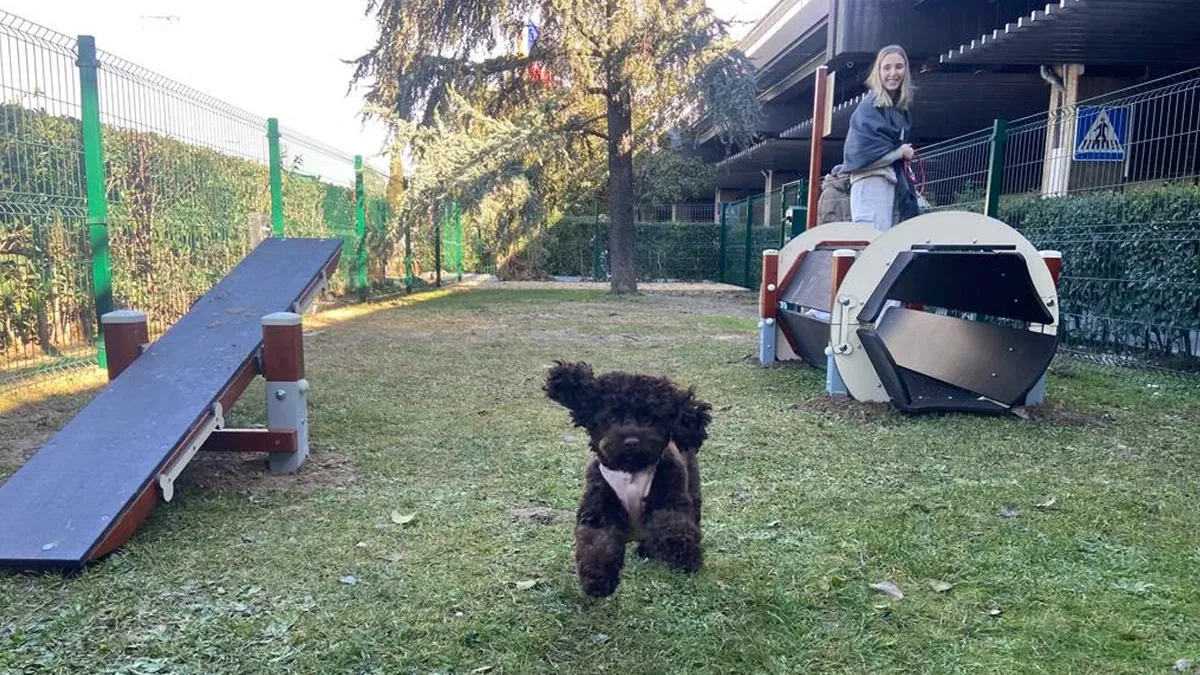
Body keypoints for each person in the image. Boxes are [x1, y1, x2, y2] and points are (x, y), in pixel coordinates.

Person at [840, 44, 920, 232]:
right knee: (870, 247)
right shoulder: (869, 108)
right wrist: (900, 152)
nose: (893, 73)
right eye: (887, 67)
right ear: (878, 72)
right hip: (869, 185)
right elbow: (859, 159)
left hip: (890, 184)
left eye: (899, 67)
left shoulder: (899, 111)